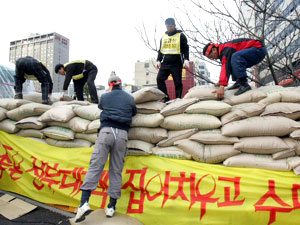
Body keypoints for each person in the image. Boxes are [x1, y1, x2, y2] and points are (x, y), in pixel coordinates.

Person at [74, 75, 137, 222]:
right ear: (121, 84)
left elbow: (101, 107)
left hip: (106, 132)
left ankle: (84, 203)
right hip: (122, 135)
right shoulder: (129, 98)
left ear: (110, 84)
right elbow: (133, 112)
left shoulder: (105, 96)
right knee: (116, 170)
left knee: (96, 166)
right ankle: (111, 207)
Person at [203, 38, 267, 99]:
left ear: (214, 50)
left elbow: (225, 67)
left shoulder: (225, 49)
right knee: (231, 61)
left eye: (211, 56)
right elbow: (226, 66)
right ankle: (239, 82)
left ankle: (244, 84)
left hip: (258, 49)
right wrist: (220, 82)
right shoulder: (224, 51)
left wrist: (222, 86)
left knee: (235, 57)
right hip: (253, 52)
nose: (213, 58)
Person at [156, 18, 189, 102]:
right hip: (166, 62)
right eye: (167, 27)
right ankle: (165, 97)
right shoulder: (163, 37)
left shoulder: (180, 35)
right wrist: (158, 60)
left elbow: (186, 48)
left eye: (170, 26)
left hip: (176, 63)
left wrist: (186, 59)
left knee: (177, 82)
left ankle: (178, 98)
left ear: (174, 25)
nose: (169, 28)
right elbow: (161, 50)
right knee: (159, 79)